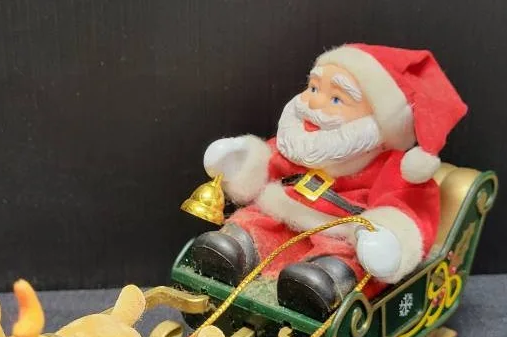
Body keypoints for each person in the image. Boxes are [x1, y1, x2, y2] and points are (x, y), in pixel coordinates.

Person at [190, 44, 467, 320]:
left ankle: (320, 283)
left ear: (379, 121)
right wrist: (241, 162)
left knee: (346, 258)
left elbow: (406, 210)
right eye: (313, 88)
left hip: (340, 235)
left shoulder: (395, 169)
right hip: (283, 219)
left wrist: (386, 237)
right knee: (253, 221)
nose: (313, 103)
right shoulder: (304, 146)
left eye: (336, 99)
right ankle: (234, 251)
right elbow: (270, 163)